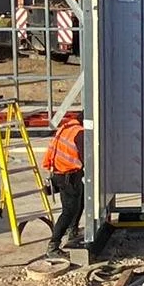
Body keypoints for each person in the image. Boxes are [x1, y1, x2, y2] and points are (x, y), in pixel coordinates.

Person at [42, 109, 87, 256]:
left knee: (80, 200)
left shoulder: (67, 126)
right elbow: (87, 157)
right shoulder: (79, 133)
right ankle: (53, 246)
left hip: (60, 173)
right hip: (68, 177)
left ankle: (72, 231)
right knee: (68, 211)